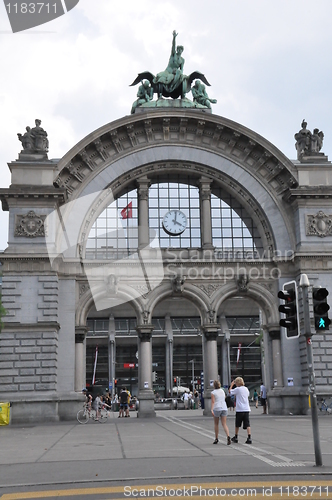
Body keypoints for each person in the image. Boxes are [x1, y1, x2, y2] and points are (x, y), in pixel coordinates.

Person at [153, 30, 185, 96]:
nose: (179, 50)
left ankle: (172, 86)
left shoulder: (182, 60)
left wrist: (178, 71)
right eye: (178, 49)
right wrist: (174, 37)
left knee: (179, 72)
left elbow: (181, 69)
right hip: (168, 71)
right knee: (160, 77)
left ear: (182, 51)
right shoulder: (173, 55)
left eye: (180, 50)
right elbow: (173, 46)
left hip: (175, 74)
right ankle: (162, 91)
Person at [229, 377, 252, 444]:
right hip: (246, 408)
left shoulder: (237, 389)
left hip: (240, 409)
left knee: (237, 424)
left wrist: (231, 385)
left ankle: (236, 437)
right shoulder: (246, 389)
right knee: (247, 424)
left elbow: (230, 392)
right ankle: (249, 437)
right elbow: (248, 395)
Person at [211, 380, 231, 445]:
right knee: (224, 424)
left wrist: (211, 409)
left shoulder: (213, 392)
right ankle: (228, 436)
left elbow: (213, 401)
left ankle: (216, 438)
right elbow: (224, 398)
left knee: (216, 424)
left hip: (217, 408)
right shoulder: (222, 391)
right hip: (224, 407)